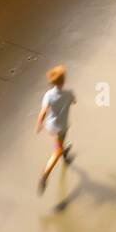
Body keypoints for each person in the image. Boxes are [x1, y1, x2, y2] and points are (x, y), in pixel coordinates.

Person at [35, 64, 76, 195]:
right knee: (57, 151)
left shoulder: (48, 95)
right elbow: (74, 101)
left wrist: (39, 124)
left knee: (61, 143)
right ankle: (45, 175)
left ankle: (65, 152)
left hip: (50, 125)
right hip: (61, 127)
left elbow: (43, 112)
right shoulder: (69, 93)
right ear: (63, 81)